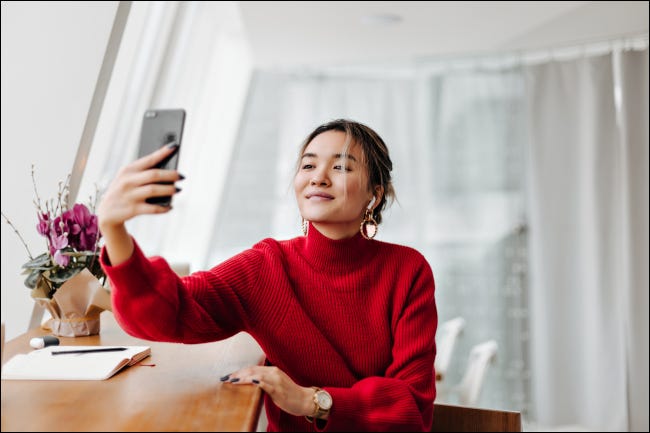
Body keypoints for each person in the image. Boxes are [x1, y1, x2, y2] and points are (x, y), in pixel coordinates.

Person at [97, 118, 437, 431]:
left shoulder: (408, 270)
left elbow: (413, 405)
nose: (318, 176)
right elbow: (173, 312)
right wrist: (113, 229)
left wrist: (313, 401)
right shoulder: (267, 266)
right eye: (308, 165)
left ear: (374, 194)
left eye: (340, 166)